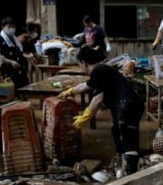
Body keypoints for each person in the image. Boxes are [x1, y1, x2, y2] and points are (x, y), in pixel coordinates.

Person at [58, 47, 144, 175]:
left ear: (84, 63)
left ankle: (131, 177)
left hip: (127, 106)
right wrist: (70, 91)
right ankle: (124, 167)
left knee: (128, 142)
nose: (80, 67)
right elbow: (86, 85)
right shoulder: (101, 70)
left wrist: (85, 116)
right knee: (117, 133)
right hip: (127, 106)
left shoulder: (98, 70)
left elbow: (97, 99)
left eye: (79, 64)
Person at [0, 17, 30, 90]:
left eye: (13, 27)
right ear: (3, 27)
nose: (11, 29)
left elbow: (19, 52)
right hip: (9, 73)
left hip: (20, 72)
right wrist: (10, 62)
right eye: (9, 26)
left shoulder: (14, 39)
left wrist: (27, 56)